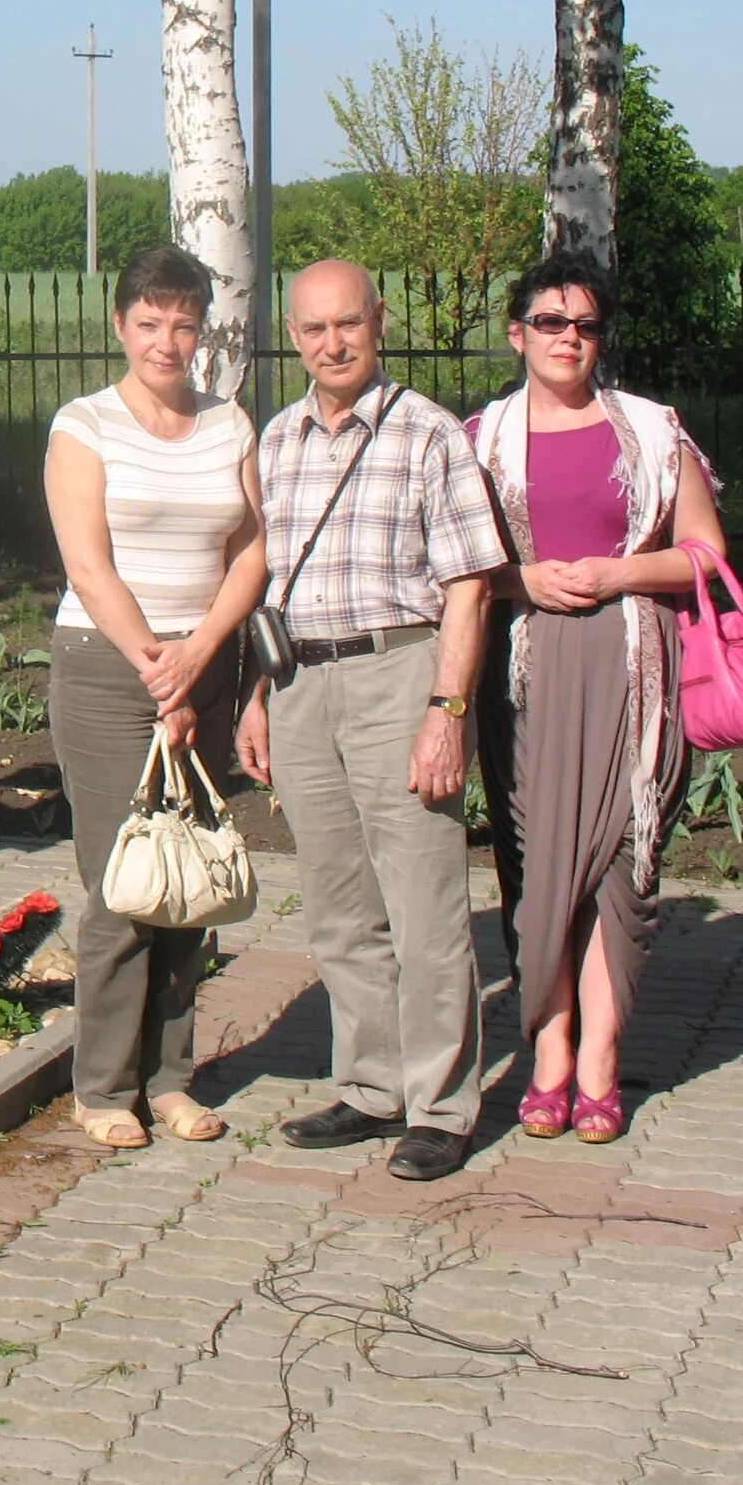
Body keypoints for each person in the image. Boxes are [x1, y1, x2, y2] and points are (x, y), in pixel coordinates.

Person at [240, 260, 510, 1182]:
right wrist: (258, 697)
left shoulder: (429, 435)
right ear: (293, 333)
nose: (332, 344)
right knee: (340, 904)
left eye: (347, 324)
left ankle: (441, 1104)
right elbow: (271, 585)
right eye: (313, 329)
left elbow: (469, 587)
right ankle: (370, 1084)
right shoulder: (275, 441)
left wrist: (447, 711)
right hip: (301, 683)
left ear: (379, 322)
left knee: (426, 905)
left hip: (400, 670)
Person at [470, 252, 723, 1144]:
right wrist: (523, 578)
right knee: (541, 871)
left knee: (621, 864)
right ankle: (549, 1053)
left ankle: (602, 1067)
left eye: (584, 325)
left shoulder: (654, 430)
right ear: (517, 333)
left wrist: (619, 570)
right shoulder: (483, 438)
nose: (568, 338)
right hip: (528, 675)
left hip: (632, 666)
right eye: (550, 322)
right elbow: (460, 573)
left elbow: (703, 555)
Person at [43, 245, 268, 1150]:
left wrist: (202, 652)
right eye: (149, 322)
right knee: (125, 880)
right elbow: (88, 563)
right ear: (120, 327)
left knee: (192, 877)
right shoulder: (84, 426)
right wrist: (155, 665)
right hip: (109, 668)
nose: (166, 341)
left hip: (202, 662)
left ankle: (173, 1078)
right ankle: (102, 1085)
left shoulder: (230, 426)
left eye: (183, 322)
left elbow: (252, 549)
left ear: (202, 328)